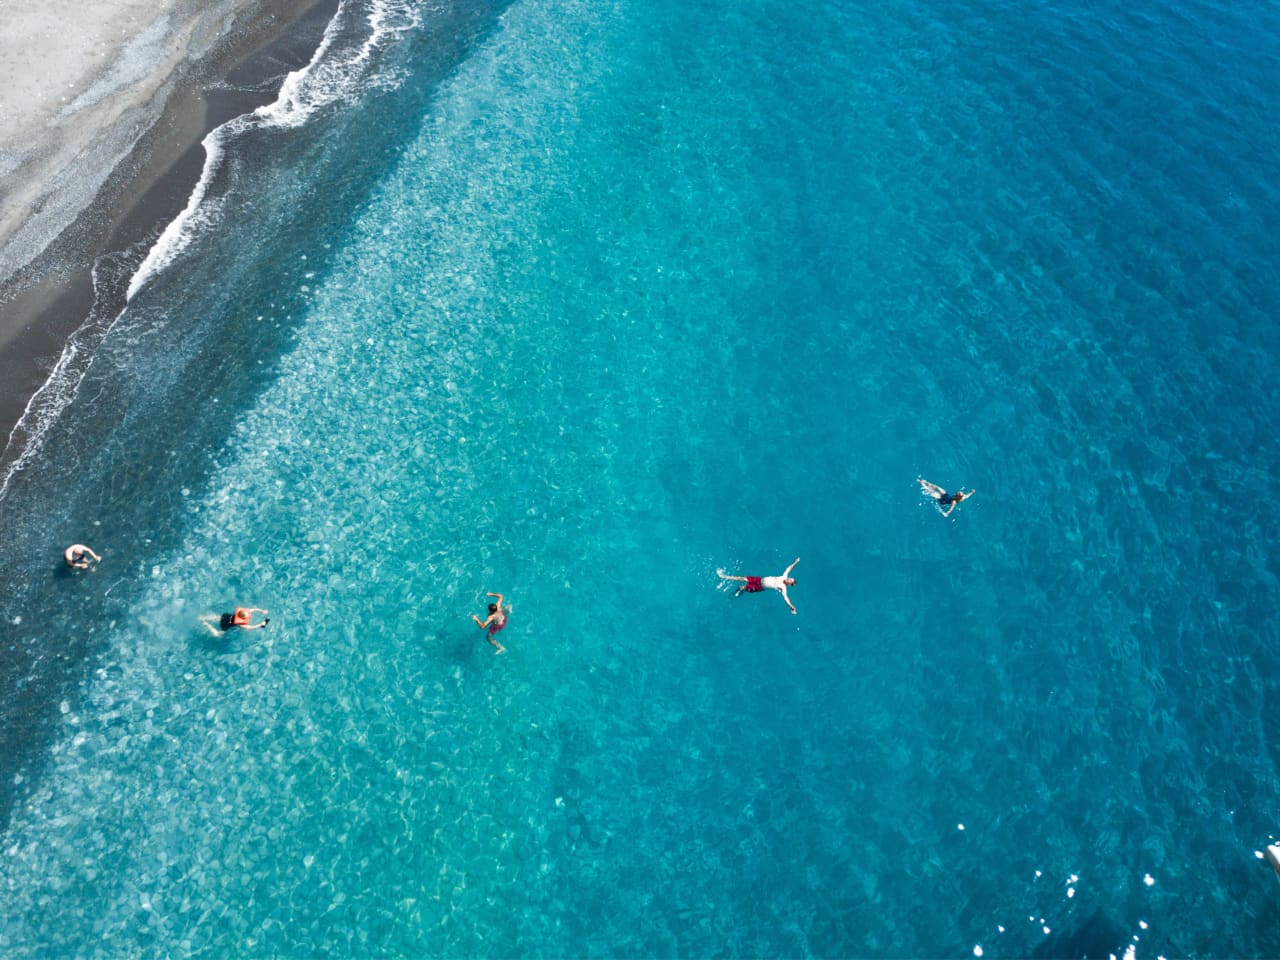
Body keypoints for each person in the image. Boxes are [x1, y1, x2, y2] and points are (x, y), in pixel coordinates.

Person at [717, 557, 800, 614]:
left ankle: (738, 593)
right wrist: (795, 562)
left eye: (790, 580)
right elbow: (788, 569)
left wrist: (791, 607)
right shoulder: (784, 576)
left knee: (742, 587)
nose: (788, 579)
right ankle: (724, 576)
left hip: (758, 587)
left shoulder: (783, 588)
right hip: (759, 579)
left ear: (789, 584)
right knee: (742, 578)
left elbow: (786, 598)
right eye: (790, 578)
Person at [199, 606, 270, 636]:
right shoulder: (241, 624)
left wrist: (262, 611)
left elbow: (253, 609)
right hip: (226, 624)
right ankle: (207, 625)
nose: (249, 615)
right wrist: (260, 624)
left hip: (226, 616)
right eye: (247, 615)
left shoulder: (244, 611)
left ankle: (203, 618)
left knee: (217, 618)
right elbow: (250, 627)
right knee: (218, 635)